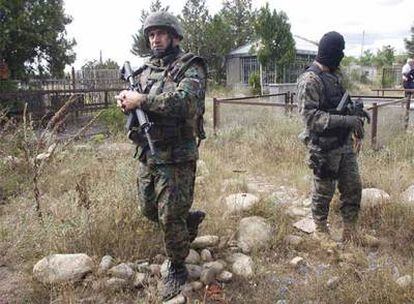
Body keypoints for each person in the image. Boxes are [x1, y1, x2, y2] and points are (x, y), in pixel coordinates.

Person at [116, 11, 207, 300]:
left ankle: (177, 267)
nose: (155, 39)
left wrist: (142, 100)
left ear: (174, 36)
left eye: (161, 33)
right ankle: (186, 222)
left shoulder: (190, 66)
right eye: (151, 34)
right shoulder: (142, 71)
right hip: (148, 153)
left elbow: (186, 102)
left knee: (169, 217)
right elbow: (134, 99)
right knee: (148, 209)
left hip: (177, 156)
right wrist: (126, 102)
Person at [297, 31, 365, 244]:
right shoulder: (310, 80)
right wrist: (346, 122)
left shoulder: (335, 75)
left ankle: (350, 231)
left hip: (343, 144)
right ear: (330, 51)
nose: (342, 55)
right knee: (324, 191)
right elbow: (311, 118)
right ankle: (320, 231)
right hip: (323, 147)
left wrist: (355, 117)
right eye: (339, 51)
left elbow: (342, 103)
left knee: (353, 187)